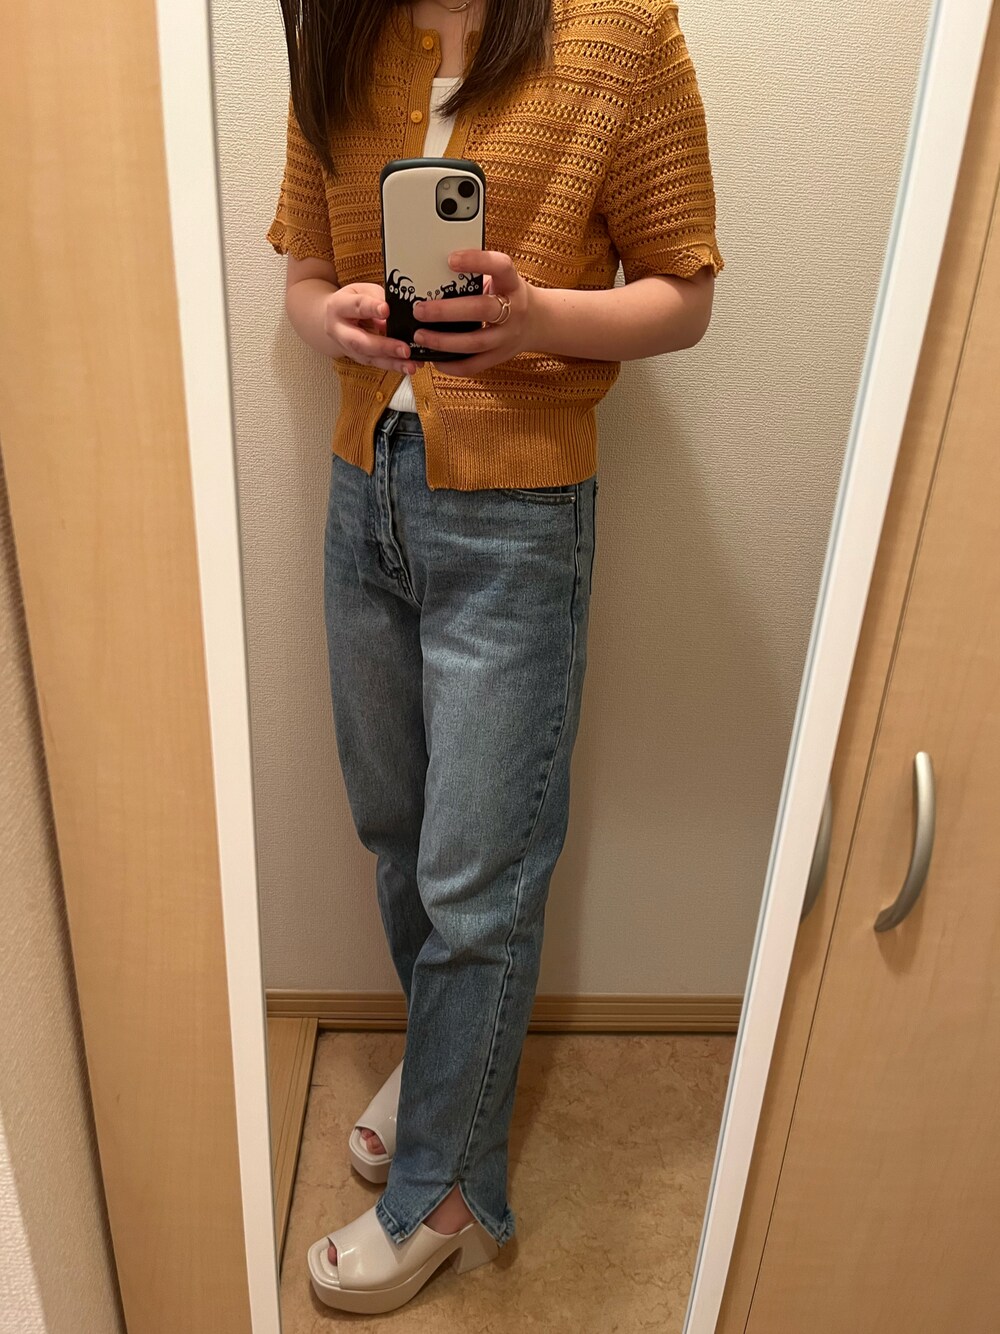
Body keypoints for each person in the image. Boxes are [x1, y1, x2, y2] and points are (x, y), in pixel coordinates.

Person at [267, 0, 724, 1314]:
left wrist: (536, 322)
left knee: (479, 876)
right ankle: (445, 1071)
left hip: (518, 517)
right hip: (365, 491)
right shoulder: (333, 27)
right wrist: (335, 324)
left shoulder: (620, 31)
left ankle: (447, 1196)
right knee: (395, 830)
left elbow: (685, 295)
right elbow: (303, 273)